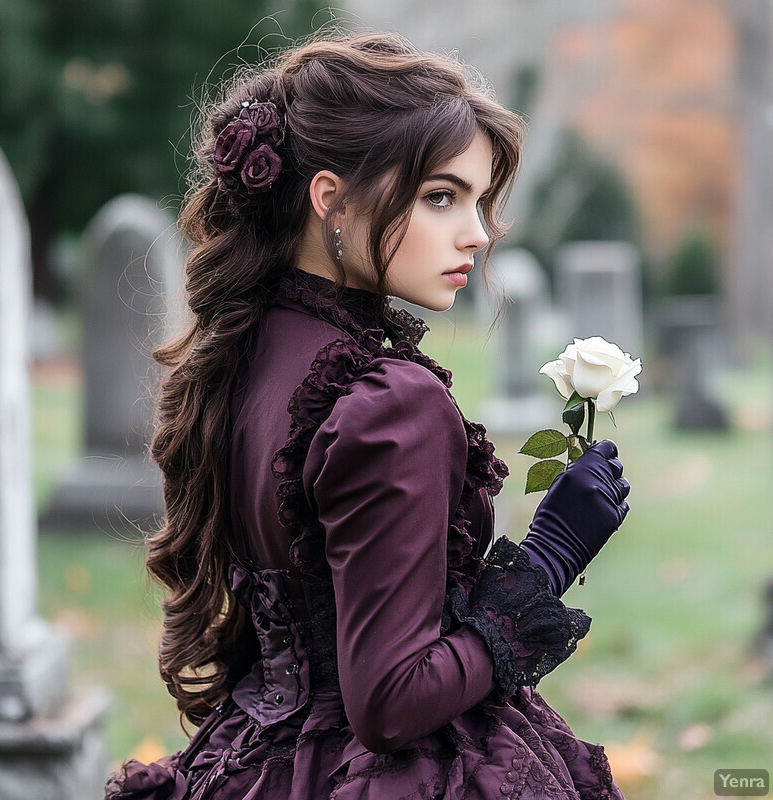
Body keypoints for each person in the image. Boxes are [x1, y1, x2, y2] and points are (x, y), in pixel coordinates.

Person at [105, 29, 631, 800]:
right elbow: (390, 701)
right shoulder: (389, 402)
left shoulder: (243, 352)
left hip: (254, 762)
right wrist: (548, 560)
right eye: (440, 197)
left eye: (479, 201)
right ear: (331, 201)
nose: (477, 234)